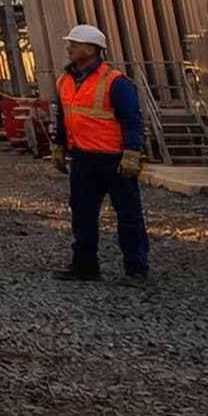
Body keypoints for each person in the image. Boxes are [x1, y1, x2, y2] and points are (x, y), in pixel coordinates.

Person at [50, 24, 150, 284]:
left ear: (92, 49)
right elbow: (64, 115)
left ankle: (136, 269)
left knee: (128, 215)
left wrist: (131, 153)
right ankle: (85, 266)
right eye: (69, 42)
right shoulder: (65, 80)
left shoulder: (115, 81)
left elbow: (132, 119)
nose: (69, 47)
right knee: (82, 214)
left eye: (75, 43)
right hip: (83, 158)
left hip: (114, 160)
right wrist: (59, 146)